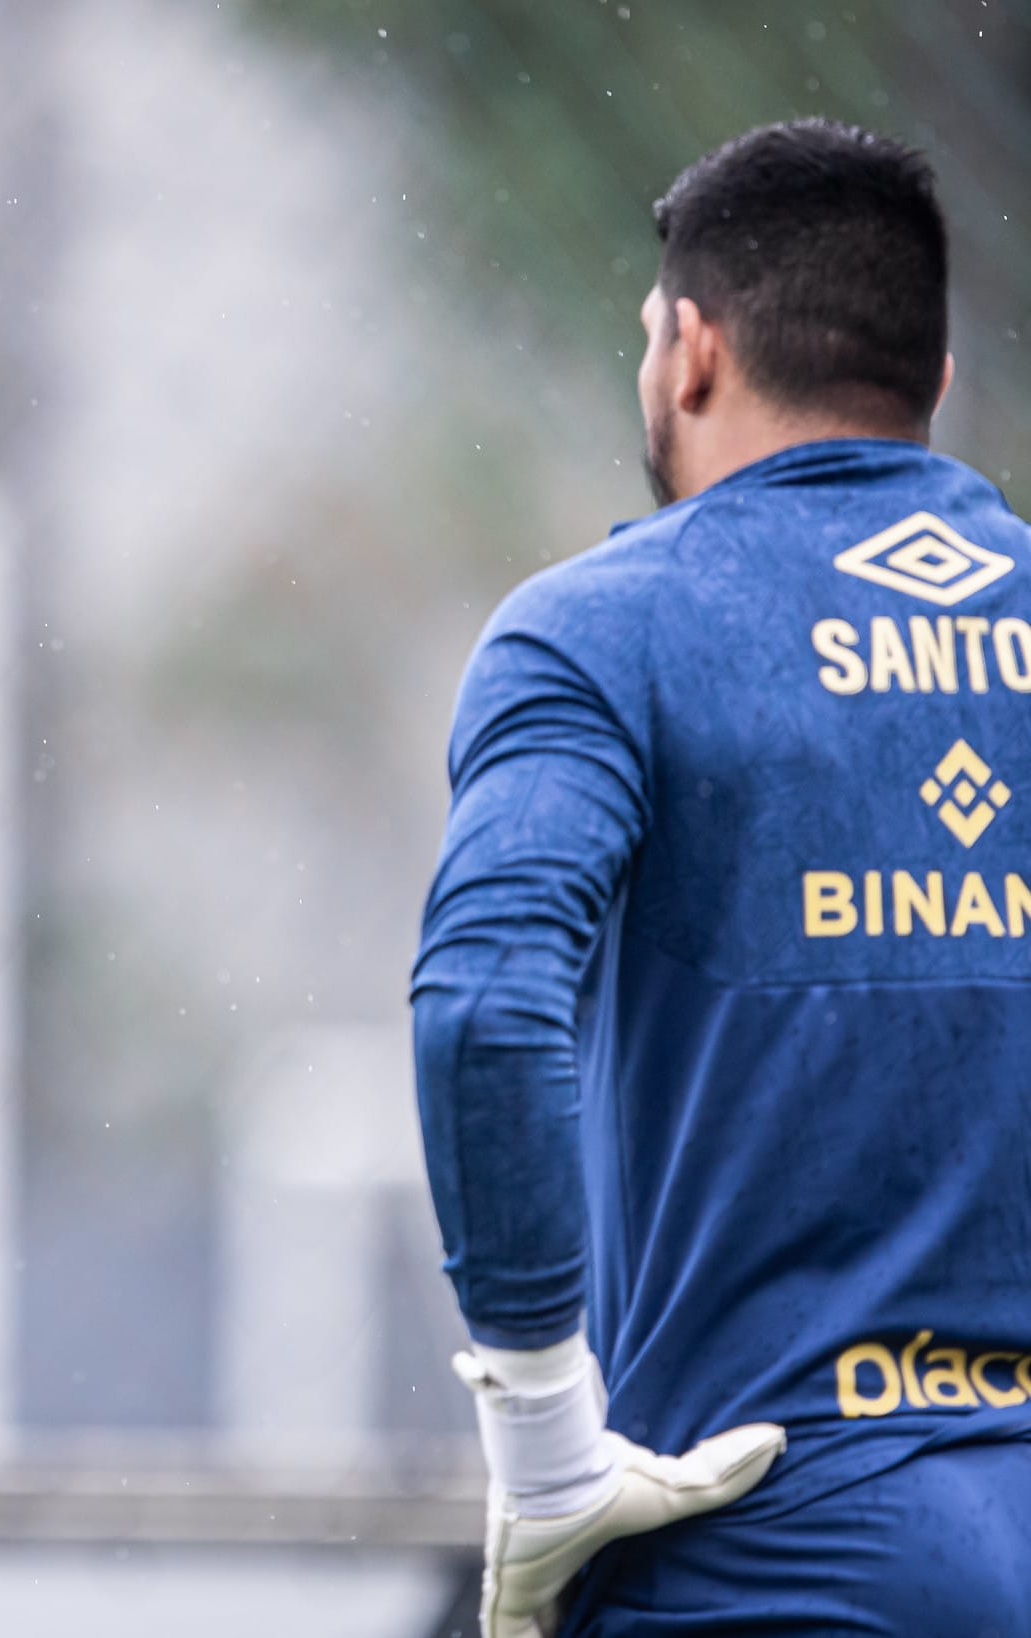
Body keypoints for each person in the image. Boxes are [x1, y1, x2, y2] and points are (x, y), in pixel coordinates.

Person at [414, 119, 1031, 1637]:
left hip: (772, 1551)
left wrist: (550, 1451)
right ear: (933, 383)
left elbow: (486, 1010)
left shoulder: (608, 632)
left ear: (691, 351)